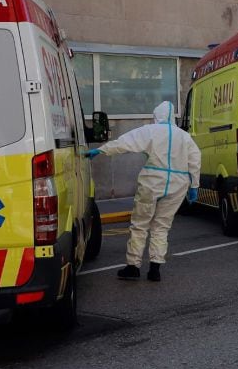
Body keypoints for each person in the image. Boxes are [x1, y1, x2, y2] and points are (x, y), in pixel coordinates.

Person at [86, 101, 201, 282]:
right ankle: (155, 268)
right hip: (178, 184)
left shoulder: (150, 131)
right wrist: (194, 185)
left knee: (140, 223)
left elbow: (124, 143)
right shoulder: (185, 137)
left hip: (152, 181)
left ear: (157, 116)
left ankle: (133, 266)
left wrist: (100, 150)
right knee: (161, 226)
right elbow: (195, 160)